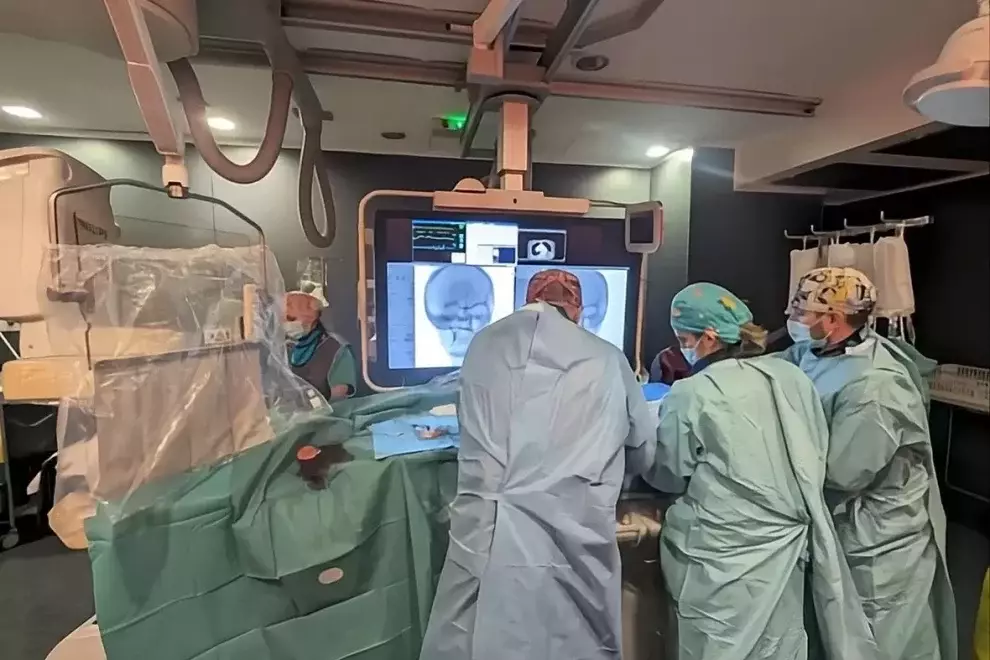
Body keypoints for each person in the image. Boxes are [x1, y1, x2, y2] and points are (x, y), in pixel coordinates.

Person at [419, 269, 657, 660]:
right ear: (577, 309)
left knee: (473, 637)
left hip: (484, 528)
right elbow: (642, 450)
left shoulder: (484, 345)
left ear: (529, 300)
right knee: (572, 639)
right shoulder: (605, 358)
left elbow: (471, 423)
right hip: (571, 534)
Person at [646, 283, 878, 660]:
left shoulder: (693, 392)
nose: (683, 349)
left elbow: (669, 473)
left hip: (721, 558)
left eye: (685, 340)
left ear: (709, 337)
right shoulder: (792, 377)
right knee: (779, 644)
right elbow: (813, 451)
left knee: (714, 647)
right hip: (785, 550)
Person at [781, 266, 957, 660]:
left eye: (801, 312)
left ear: (832, 319)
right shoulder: (820, 351)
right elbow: (784, 366)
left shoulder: (876, 388)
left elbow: (844, 474)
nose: (792, 318)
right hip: (848, 521)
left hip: (879, 541)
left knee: (880, 638)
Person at [283, 283, 357, 401]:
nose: (286, 325)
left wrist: (312, 403)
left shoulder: (336, 348)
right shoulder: (285, 347)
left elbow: (342, 390)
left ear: (311, 316)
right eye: (283, 320)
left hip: (330, 410)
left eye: (291, 319)